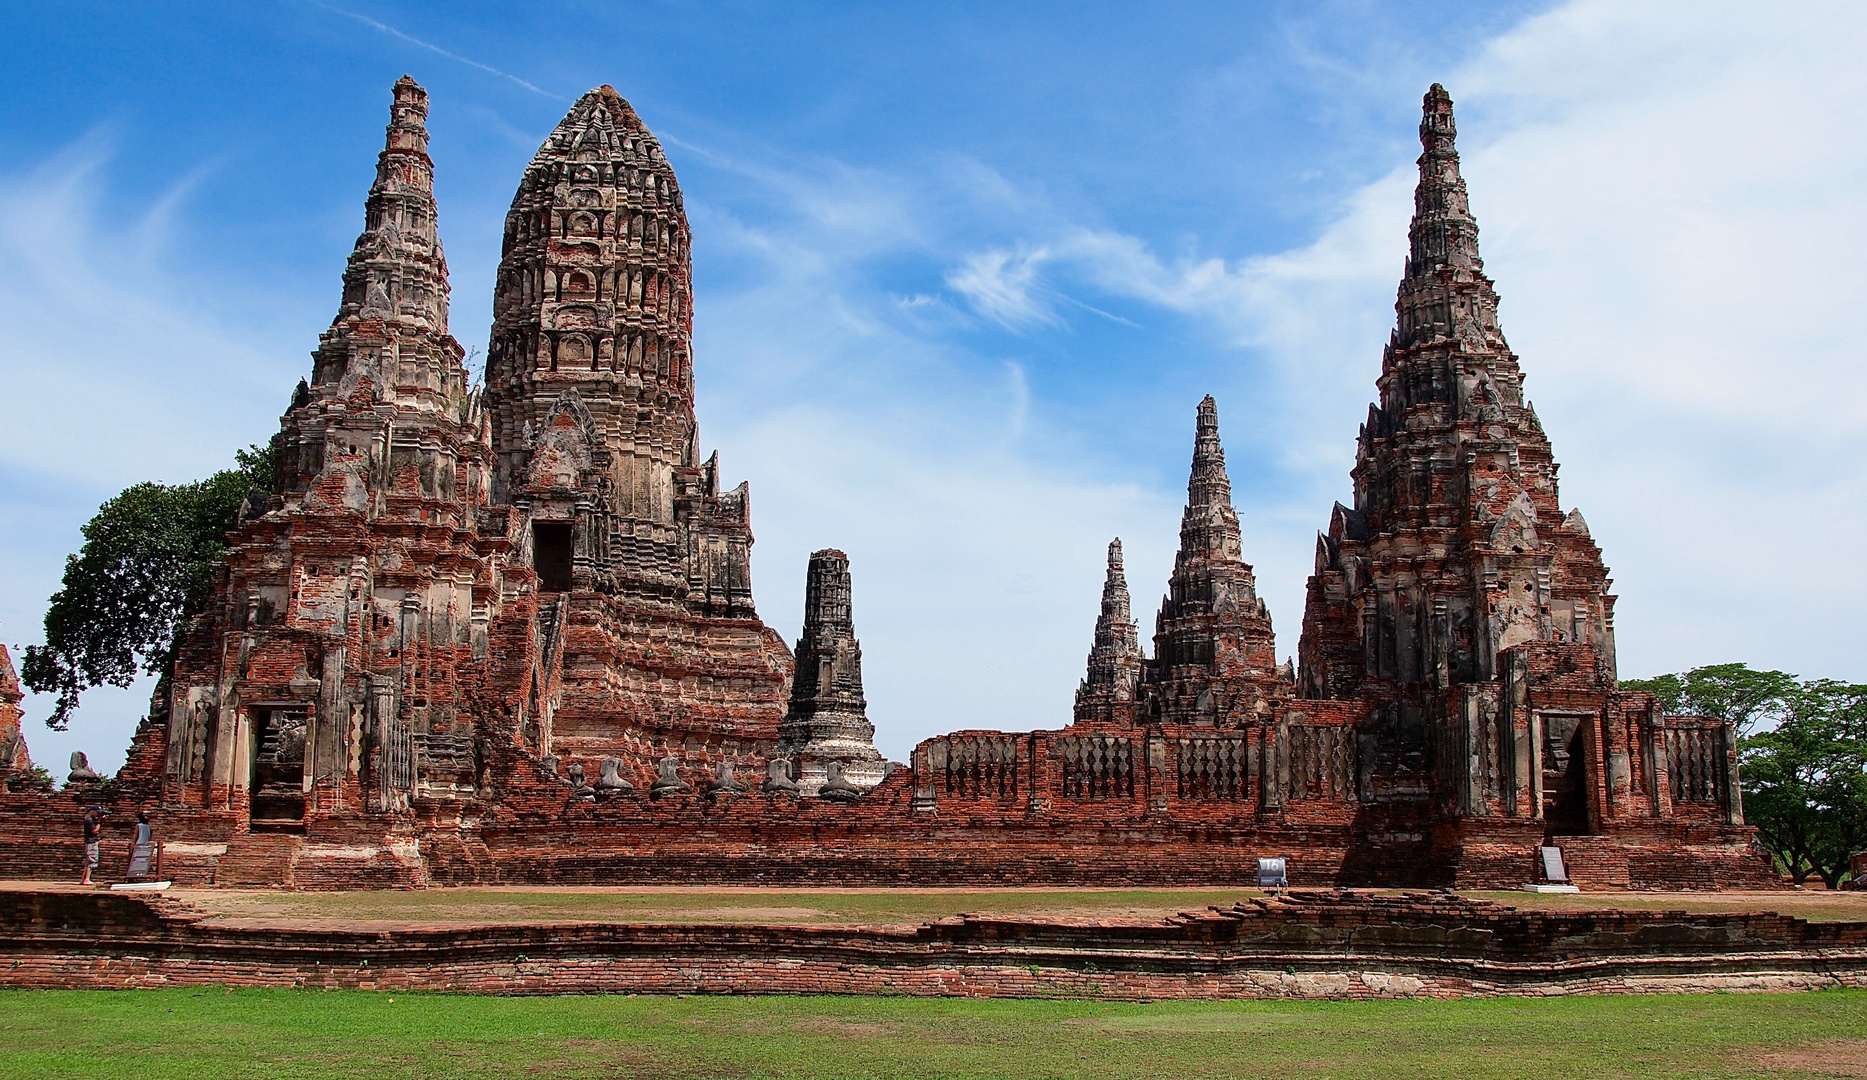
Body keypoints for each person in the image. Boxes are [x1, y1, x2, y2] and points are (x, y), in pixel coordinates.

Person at [78, 805, 105, 886]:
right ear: (92, 811)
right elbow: (95, 831)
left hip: (90, 841)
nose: (97, 814)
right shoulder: (89, 819)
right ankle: (86, 879)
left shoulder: (89, 818)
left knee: (89, 860)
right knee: (91, 859)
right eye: (97, 813)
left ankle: (84, 879)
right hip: (91, 842)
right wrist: (100, 822)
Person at [125, 811, 155, 882]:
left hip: (139, 843)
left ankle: (133, 877)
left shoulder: (139, 825)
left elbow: (136, 835)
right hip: (146, 844)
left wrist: (134, 843)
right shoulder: (148, 826)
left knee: (135, 861)